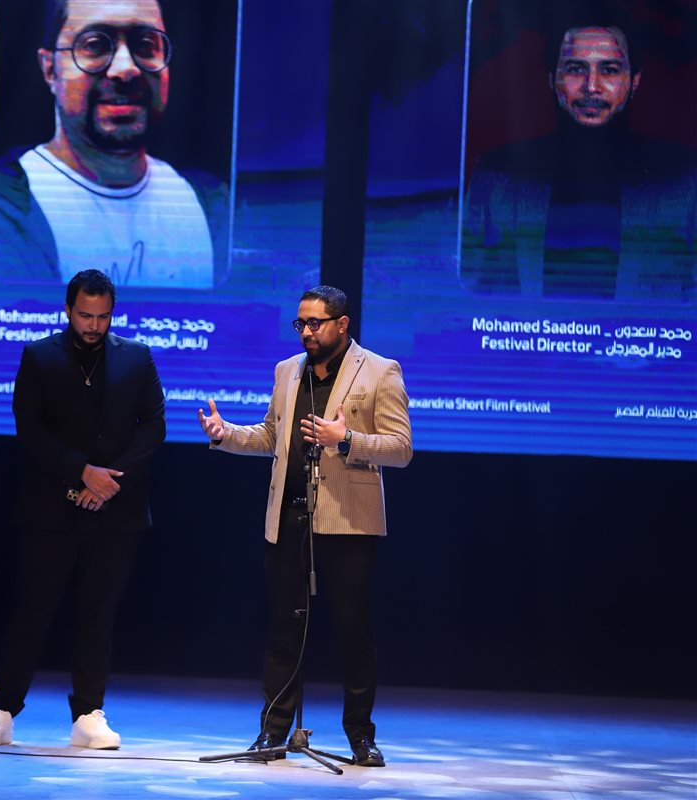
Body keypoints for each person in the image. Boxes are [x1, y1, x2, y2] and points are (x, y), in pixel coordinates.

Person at [196, 285, 412, 767]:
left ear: (342, 324)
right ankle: (272, 733)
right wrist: (225, 434)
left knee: (353, 633)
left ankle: (361, 737)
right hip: (290, 517)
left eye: (316, 323)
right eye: (301, 323)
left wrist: (346, 438)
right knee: (283, 632)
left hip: (349, 523)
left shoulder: (381, 370)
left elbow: (401, 447)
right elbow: (271, 436)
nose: (306, 332)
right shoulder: (287, 371)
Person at [0, 268, 165, 749]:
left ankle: (88, 714)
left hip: (116, 509)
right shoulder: (39, 355)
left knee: (98, 614)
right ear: (67, 310)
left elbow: (153, 427)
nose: (93, 325)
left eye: (102, 316)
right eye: (84, 315)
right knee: (32, 610)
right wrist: (82, 472)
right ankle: (2, 710)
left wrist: (108, 481)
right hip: (49, 510)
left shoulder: (137, 356)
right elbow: (30, 429)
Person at [0, 0, 228, 288]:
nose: (125, 69)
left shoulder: (214, 207)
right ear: (50, 69)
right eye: (95, 45)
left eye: (146, 45)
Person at [460, 11, 697, 303]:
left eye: (609, 70)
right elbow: (468, 298)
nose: (591, 86)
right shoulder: (496, 174)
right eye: (575, 69)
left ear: (634, 81)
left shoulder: (685, 180)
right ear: (552, 79)